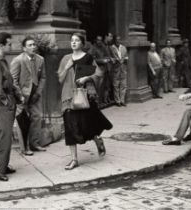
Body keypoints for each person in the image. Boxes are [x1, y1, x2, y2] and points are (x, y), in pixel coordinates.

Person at [57, 33, 113, 170]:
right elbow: (60, 79)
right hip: (68, 97)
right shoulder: (65, 58)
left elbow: (99, 74)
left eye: (77, 40)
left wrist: (86, 78)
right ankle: (74, 159)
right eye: (72, 40)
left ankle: (96, 139)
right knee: (70, 128)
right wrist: (67, 67)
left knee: (85, 125)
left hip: (83, 96)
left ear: (82, 43)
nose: (74, 42)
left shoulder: (88, 58)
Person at [0, 32, 21, 181]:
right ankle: (0, 170)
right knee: (4, 137)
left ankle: (3, 165)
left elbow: (7, 81)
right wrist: (6, 101)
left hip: (6, 100)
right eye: (9, 44)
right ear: (1, 46)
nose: (11, 46)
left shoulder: (1, 60)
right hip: (1, 104)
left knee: (6, 137)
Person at [10, 36, 47, 155]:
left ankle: (35, 143)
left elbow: (43, 77)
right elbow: (13, 80)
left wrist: (38, 92)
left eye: (34, 45)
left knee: (36, 117)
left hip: (35, 94)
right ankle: (25, 148)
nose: (33, 47)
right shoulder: (18, 60)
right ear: (24, 48)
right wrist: (19, 95)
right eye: (30, 45)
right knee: (23, 121)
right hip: (22, 95)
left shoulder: (40, 59)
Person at [111, 35, 128, 106]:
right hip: (116, 69)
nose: (118, 41)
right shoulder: (112, 48)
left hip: (123, 69)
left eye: (119, 39)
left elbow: (127, 57)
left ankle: (122, 100)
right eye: (116, 40)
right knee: (116, 85)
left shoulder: (123, 47)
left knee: (123, 85)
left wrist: (125, 59)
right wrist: (115, 60)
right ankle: (117, 101)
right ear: (114, 41)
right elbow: (111, 58)